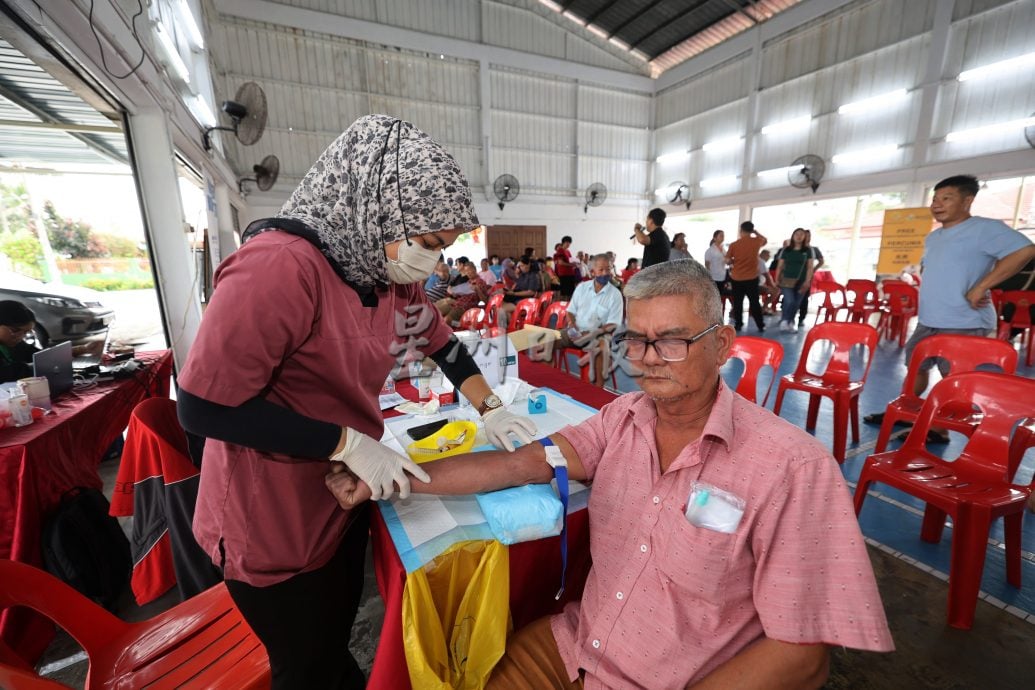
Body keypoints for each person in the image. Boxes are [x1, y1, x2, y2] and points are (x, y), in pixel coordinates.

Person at [328, 259, 894, 689]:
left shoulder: (791, 467)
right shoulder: (622, 420)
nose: (647, 357)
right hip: (574, 649)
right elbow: (520, 463)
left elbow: (801, 654)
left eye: (671, 340)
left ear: (721, 345)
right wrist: (395, 475)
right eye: (635, 338)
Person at [175, 115, 538, 690]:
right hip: (269, 514)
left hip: (342, 494)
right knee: (303, 663)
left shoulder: (385, 273)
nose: (433, 263)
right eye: (426, 244)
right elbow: (201, 407)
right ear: (378, 209)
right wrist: (342, 441)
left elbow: (443, 346)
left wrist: (490, 407)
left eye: (441, 249)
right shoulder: (279, 269)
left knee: (334, 639)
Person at [864, 175, 1035, 437]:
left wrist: (982, 286)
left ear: (967, 200)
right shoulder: (935, 237)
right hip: (929, 319)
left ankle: (941, 428)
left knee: (954, 378)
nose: (937, 204)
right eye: (935, 199)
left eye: (947, 198)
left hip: (964, 321)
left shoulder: (984, 228)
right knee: (916, 367)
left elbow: (1025, 251)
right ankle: (905, 410)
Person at [534, 254, 623, 387]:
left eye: (608, 269)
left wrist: (591, 334)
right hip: (576, 331)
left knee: (601, 347)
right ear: (592, 272)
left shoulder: (615, 295)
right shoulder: (582, 288)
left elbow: (613, 324)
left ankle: (597, 393)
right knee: (545, 339)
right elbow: (570, 311)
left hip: (599, 335)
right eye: (601, 270)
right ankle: (548, 385)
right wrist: (572, 325)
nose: (606, 273)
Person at [725, 220, 768, 333]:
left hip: (737, 278)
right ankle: (760, 325)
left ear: (741, 230)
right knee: (754, 302)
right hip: (752, 278)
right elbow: (765, 240)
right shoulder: (756, 241)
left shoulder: (734, 245)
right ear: (751, 230)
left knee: (738, 302)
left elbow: (727, 260)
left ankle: (738, 324)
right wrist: (755, 232)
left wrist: (733, 261)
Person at [774, 229, 814, 333]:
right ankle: (785, 321)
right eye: (797, 234)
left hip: (802, 281)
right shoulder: (786, 250)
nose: (799, 236)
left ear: (805, 237)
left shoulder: (808, 251)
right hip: (787, 280)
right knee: (789, 300)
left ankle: (790, 322)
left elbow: (810, 267)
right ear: (793, 236)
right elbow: (780, 266)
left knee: (796, 303)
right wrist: (776, 279)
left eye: (802, 235)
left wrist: (807, 281)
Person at [0, 300, 38, 384]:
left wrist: (65, 352)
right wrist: (37, 366)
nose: (21, 337)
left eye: (26, 332)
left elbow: (33, 354)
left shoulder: (12, 341)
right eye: (15, 330)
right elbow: (3, 373)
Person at [797, 229, 825, 327]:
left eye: (809, 236)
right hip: (794, 277)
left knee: (804, 298)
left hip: (807, 277)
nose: (807, 238)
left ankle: (801, 318)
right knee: (791, 298)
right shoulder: (795, 248)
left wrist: (813, 269)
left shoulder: (814, 249)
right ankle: (788, 317)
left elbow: (821, 261)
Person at [703, 229, 728, 296]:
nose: (723, 237)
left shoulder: (723, 249)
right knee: (715, 295)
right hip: (714, 276)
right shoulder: (710, 250)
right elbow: (707, 264)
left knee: (720, 294)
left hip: (722, 275)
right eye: (721, 236)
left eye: (723, 236)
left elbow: (726, 260)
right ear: (715, 238)